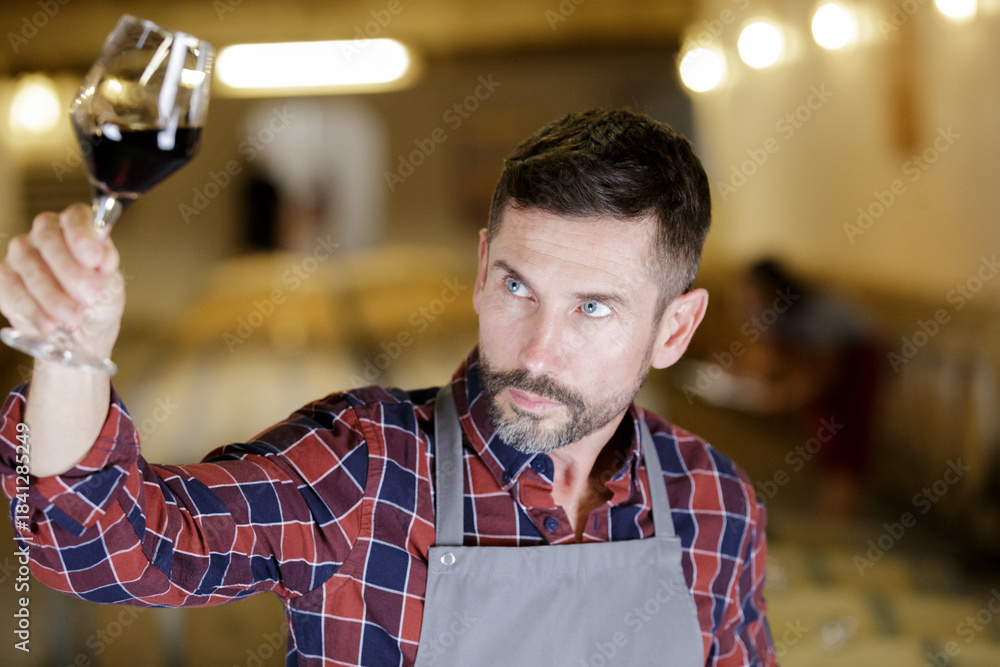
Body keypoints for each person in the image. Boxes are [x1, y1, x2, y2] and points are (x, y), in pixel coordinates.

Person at [0, 109, 774, 666]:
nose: (538, 349)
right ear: (480, 271)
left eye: (593, 307)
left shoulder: (716, 503)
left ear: (674, 329)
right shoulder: (363, 471)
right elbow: (100, 544)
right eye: (517, 286)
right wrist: (74, 345)